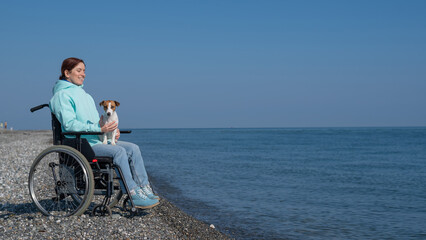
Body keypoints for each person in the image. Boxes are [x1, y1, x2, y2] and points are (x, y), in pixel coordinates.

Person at [49, 57, 159, 209]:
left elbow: (98, 123)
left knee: (133, 148)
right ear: (67, 73)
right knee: (119, 151)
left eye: (84, 71)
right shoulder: (61, 96)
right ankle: (133, 192)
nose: (83, 74)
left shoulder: (86, 96)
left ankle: (144, 188)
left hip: (98, 140)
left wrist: (110, 129)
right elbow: (69, 125)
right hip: (81, 142)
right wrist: (100, 130)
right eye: (79, 70)